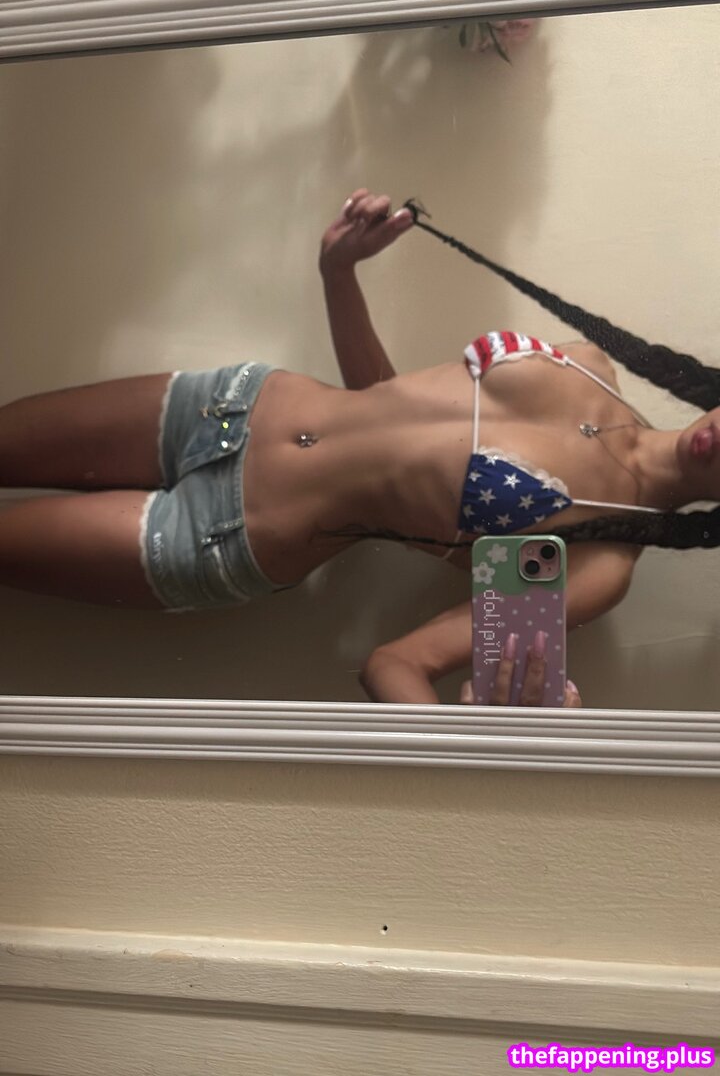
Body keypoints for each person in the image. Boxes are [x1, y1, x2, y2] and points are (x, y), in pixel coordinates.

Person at [1, 189, 718, 705]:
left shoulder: (596, 566)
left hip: (225, 535)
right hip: (229, 403)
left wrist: (479, 740)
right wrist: (338, 273)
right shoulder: (587, 363)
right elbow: (387, 402)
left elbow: (396, 664)